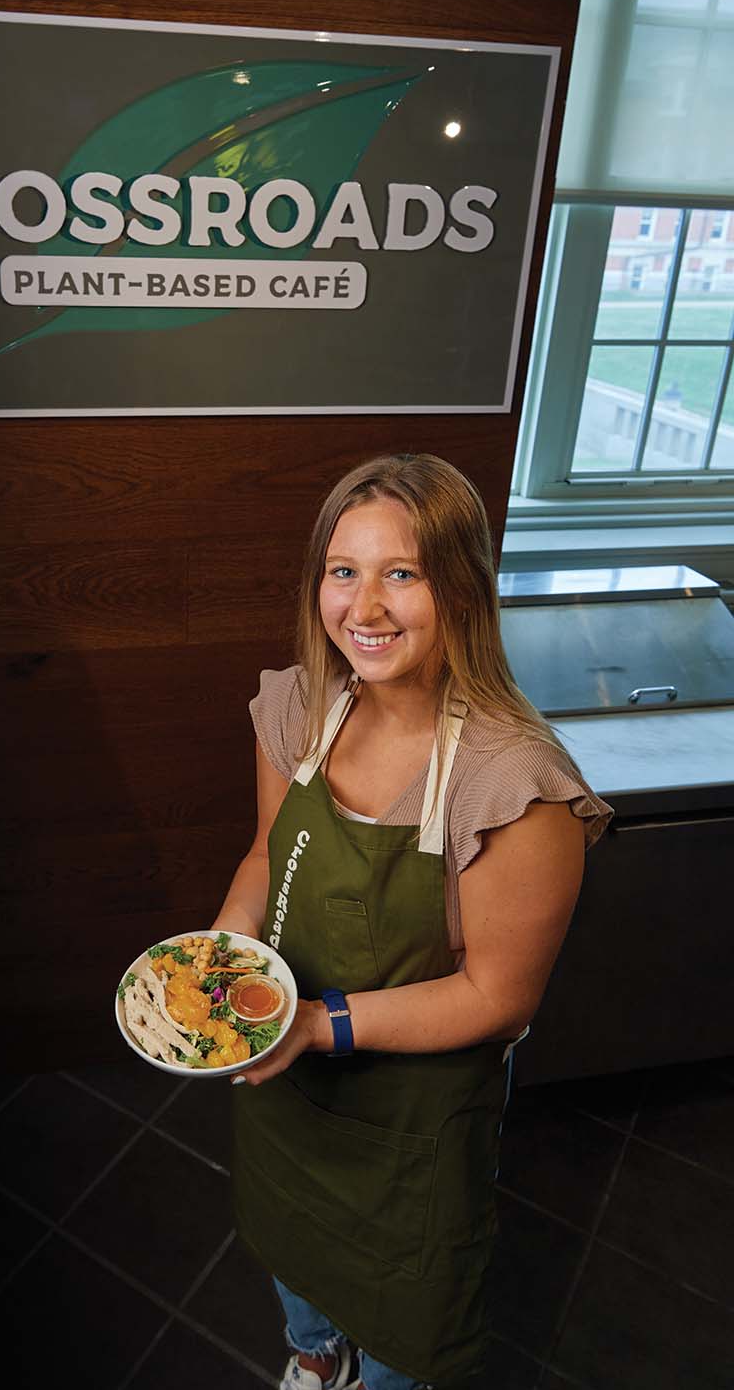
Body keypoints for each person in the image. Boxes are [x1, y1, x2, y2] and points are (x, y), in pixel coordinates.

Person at [212, 453, 611, 1390]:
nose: (366, 607)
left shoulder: (516, 784)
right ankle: (316, 1356)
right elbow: (269, 857)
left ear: (463, 590)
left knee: (409, 1301)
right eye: (344, 571)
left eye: (404, 573)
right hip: (285, 1073)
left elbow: (497, 994)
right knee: (289, 1239)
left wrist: (316, 1023)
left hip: (414, 1119)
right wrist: (222, 962)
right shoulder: (302, 707)